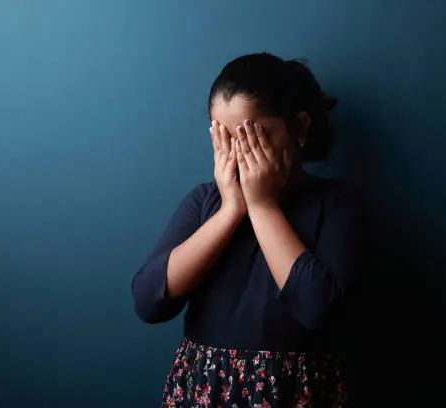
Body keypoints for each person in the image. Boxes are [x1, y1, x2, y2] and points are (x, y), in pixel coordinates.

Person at [131, 52, 362, 407]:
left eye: (255, 135)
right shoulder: (204, 202)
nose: (240, 153)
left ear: (299, 128)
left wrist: (262, 205)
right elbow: (149, 302)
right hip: (204, 392)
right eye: (226, 138)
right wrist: (232, 209)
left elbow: (318, 308)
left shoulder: (336, 204)